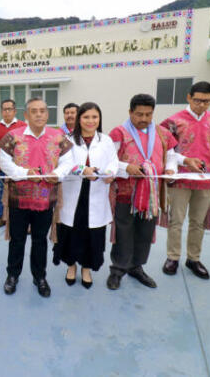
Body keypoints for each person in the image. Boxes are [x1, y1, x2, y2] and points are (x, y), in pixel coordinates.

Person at [0, 98, 71, 297]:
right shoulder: (12, 136)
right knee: (17, 239)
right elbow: (4, 163)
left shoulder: (58, 137)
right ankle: (12, 275)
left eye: (42, 111)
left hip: (45, 199)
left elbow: (68, 162)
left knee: (40, 240)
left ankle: (39, 276)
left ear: (47, 114)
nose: (38, 114)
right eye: (34, 111)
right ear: (26, 115)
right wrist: (24, 173)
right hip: (18, 199)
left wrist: (57, 174)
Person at [160, 81, 210, 279]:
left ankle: (194, 258)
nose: (202, 105)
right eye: (198, 100)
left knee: (198, 222)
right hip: (180, 179)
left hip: (206, 178)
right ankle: (172, 257)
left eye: (206, 101)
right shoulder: (172, 122)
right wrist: (180, 165)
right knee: (176, 220)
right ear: (189, 98)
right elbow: (167, 151)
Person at [106, 94, 177, 290]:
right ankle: (118, 269)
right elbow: (109, 161)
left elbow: (170, 156)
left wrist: (171, 169)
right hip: (126, 193)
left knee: (145, 232)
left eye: (148, 114)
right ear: (130, 112)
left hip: (152, 195)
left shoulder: (163, 133)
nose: (144, 118)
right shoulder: (118, 133)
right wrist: (126, 167)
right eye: (139, 114)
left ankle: (136, 267)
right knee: (124, 232)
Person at [53, 102, 118, 289]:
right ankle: (71, 266)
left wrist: (110, 173)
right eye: (86, 117)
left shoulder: (105, 140)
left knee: (93, 234)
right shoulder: (68, 140)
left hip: (97, 193)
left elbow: (113, 161)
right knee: (71, 232)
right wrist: (83, 169)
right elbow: (62, 163)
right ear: (79, 119)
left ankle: (86, 268)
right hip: (74, 194)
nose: (90, 121)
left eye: (94, 117)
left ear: (100, 119)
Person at [0, 99, 27, 229]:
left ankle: (24, 221)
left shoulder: (23, 126)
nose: (7, 112)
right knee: (1, 194)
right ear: (1, 111)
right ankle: (2, 217)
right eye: (4, 109)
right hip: (1, 168)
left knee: (21, 194)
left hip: (20, 168)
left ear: (15, 111)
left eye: (9, 109)